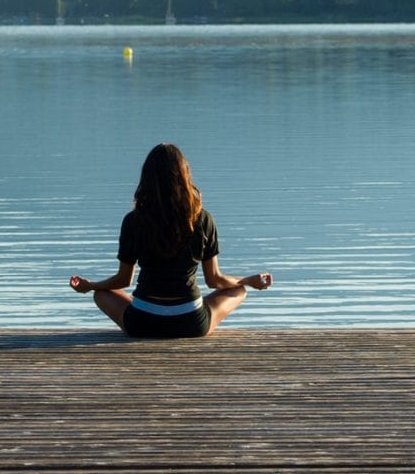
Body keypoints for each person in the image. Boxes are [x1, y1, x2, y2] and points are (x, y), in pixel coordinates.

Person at [68, 142, 272, 338]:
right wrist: (248, 281)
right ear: (184, 176)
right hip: (191, 322)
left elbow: (123, 280)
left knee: (101, 294)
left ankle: (141, 308)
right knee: (239, 290)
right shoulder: (202, 219)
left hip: (143, 322)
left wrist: (91, 285)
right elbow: (214, 280)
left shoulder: (133, 220)